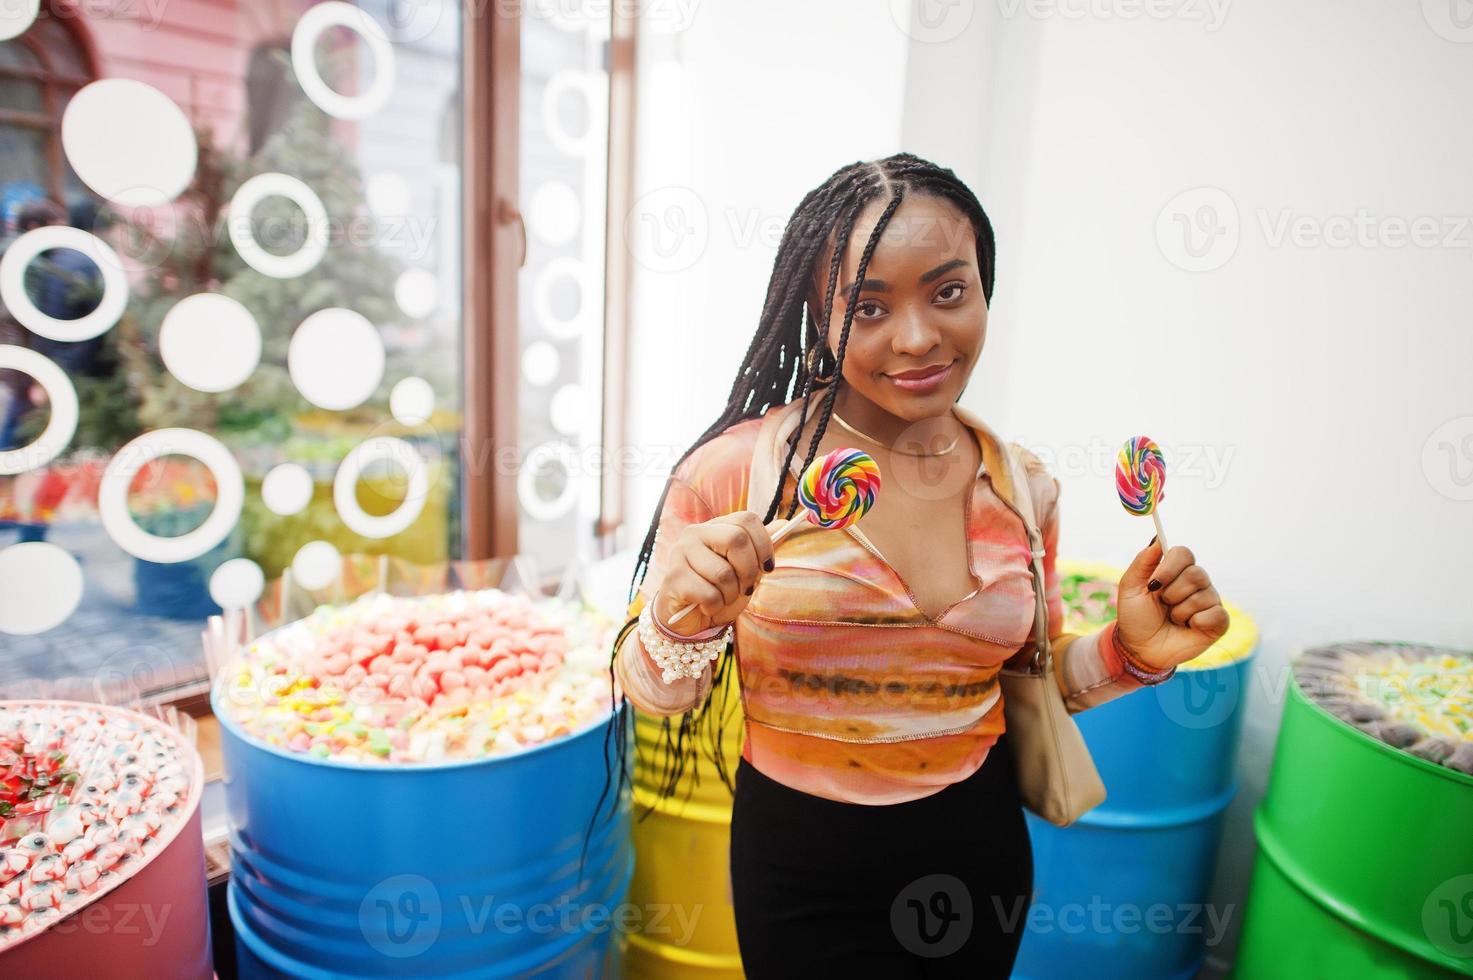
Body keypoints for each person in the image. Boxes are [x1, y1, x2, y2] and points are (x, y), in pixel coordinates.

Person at [598, 152, 1229, 977]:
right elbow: (660, 692)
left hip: (974, 848)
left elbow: (1032, 683)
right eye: (867, 307)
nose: (919, 336)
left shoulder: (1023, 486)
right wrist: (679, 615)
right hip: (800, 860)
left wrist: (1134, 651)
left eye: (948, 291)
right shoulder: (735, 477)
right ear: (818, 316)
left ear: (984, 287)